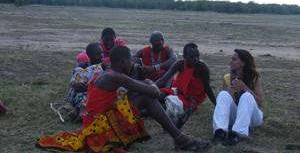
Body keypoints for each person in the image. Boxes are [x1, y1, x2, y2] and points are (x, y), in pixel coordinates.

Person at [36, 45, 212, 152]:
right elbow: (155, 93)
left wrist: (144, 83)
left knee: (143, 97)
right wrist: (149, 82)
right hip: (99, 127)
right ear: (122, 61)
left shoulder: (109, 74)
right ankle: (178, 137)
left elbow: (127, 97)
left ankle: (176, 134)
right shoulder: (116, 77)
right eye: (130, 61)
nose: (133, 64)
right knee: (147, 96)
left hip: (97, 121)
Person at [212, 49, 263, 146]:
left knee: (247, 96)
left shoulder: (253, 78)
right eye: (231, 59)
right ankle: (220, 131)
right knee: (223, 94)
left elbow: (260, 104)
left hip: (253, 118)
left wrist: (245, 88)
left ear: (243, 63)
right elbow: (225, 105)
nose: (230, 62)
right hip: (237, 116)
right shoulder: (227, 78)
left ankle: (236, 133)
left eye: (234, 60)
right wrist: (228, 92)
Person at [155, 43, 216, 113]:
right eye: (192, 56)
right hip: (177, 93)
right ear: (184, 57)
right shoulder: (180, 64)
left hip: (189, 101)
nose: (195, 59)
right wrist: (151, 88)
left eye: (197, 56)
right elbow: (163, 79)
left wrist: (217, 106)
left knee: (162, 106)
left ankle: (141, 111)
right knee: (156, 95)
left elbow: (207, 88)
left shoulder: (201, 67)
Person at [65, 43, 108, 122]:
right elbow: (74, 79)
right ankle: (80, 110)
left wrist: (86, 86)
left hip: (94, 90)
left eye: (102, 53)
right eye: (98, 54)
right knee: (79, 85)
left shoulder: (104, 66)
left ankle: (78, 109)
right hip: (83, 89)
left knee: (84, 91)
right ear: (89, 55)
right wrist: (76, 84)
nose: (101, 56)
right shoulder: (83, 65)